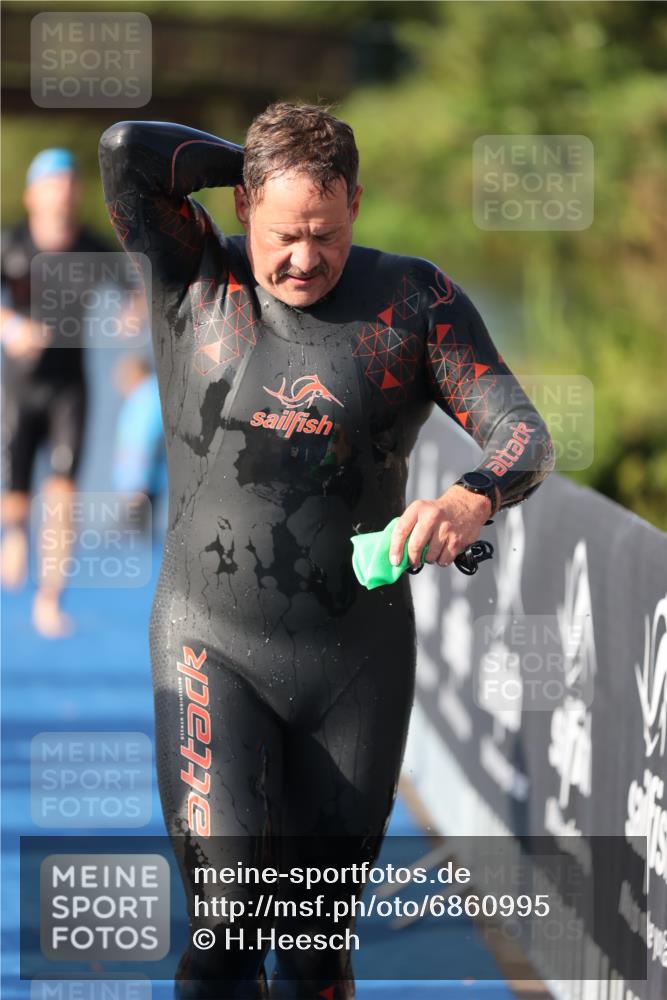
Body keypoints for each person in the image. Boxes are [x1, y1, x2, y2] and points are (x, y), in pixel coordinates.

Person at [98, 105, 554, 999]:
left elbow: (523, 435)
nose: (303, 258)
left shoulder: (413, 303)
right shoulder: (197, 274)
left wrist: (473, 496)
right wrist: (264, 162)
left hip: (356, 663)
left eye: (326, 233)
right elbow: (126, 152)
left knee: (311, 945)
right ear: (240, 208)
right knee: (229, 919)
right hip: (209, 644)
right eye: (281, 234)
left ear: (357, 203)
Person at [0, 148, 145, 637]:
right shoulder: (12, 244)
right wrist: (11, 325)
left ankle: (49, 599)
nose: (62, 192)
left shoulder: (92, 248)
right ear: (32, 194)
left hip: (69, 388)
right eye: (52, 183)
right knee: (15, 501)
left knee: (63, 497)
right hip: (18, 390)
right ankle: (15, 531)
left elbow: (137, 287)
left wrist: (133, 314)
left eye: (69, 183)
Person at [112, 353, 167, 537]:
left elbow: (146, 440)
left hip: (144, 484)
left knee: (139, 540)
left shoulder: (146, 397)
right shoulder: (144, 395)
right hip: (143, 482)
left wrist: (138, 482)